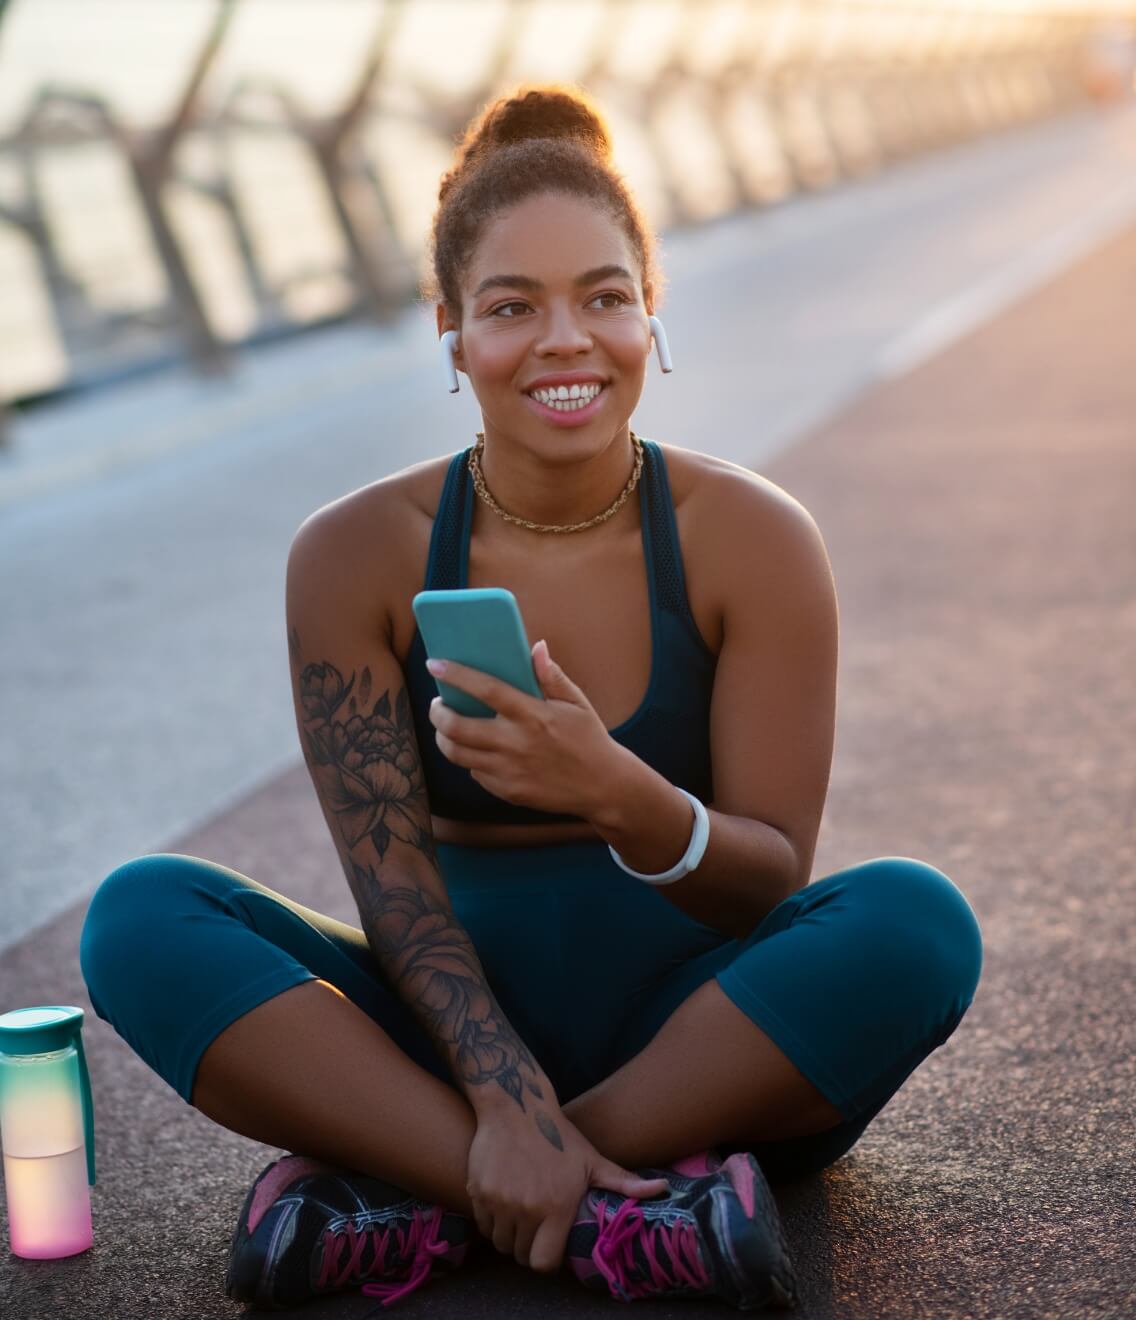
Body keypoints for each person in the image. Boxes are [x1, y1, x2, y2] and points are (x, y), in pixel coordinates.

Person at [79, 84, 983, 1312]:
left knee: (913, 923)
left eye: (604, 296)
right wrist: (499, 1097)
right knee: (139, 916)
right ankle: (633, 1208)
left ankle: (434, 1196)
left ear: (649, 311)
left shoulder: (751, 540)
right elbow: (391, 900)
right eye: (511, 306)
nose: (567, 339)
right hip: (443, 1041)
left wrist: (618, 796)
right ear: (448, 328)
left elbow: (768, 880)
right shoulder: (355, 555)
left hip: (706, 1048)